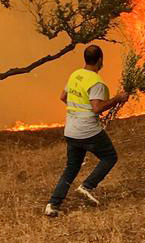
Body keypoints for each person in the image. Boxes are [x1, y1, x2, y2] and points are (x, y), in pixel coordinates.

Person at [45, 45, 129, 217]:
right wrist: (118, 98)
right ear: (100, 60)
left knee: (71, 168)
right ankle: (87, 186)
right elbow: (97, 108)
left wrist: (77, 109)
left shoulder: (75, 75)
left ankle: (53, 205)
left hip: (71, 129)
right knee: (110, 157)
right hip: (88, 130)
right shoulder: (96, 82)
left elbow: (63, 97)